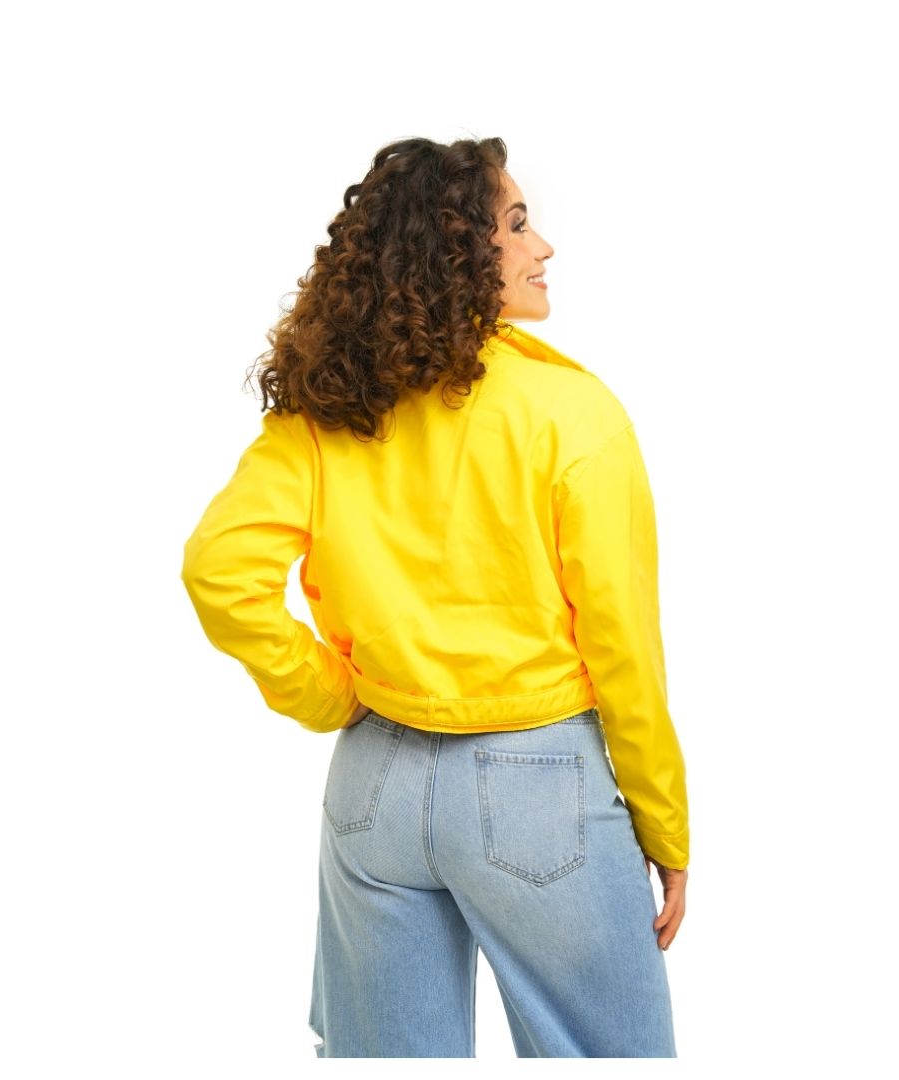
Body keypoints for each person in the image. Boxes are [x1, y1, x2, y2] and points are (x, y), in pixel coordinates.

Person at [180, 135, 689, 1058]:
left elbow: (221, 569)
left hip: (373, 783)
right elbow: (623, 648)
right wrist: (665, 825)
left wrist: (331, 694)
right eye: (518, 224)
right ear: (457, 249)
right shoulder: (573, 415)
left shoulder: (329, 407)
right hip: (539, 786)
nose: (543, 246)